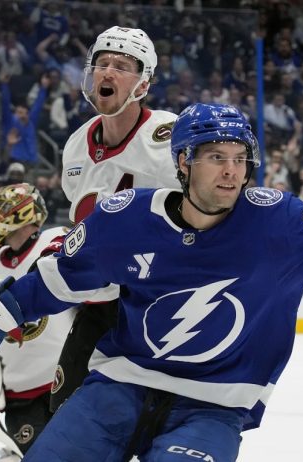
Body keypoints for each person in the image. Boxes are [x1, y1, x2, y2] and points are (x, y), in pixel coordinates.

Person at [0, 103, 303, 461]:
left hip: (215, 404)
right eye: (215, 157)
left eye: (240, 158)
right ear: (182, 162)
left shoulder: (278, 225)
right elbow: (61, 277)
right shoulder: (127, 217)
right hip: (120, 384)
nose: (231, 172)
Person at [51, 25, 179, 412]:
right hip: (101, 306)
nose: (107, 72)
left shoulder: (169, 137)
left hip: (160, 305)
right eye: (102, 63)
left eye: (122, 65)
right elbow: (83, 227)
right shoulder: (76, 145)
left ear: (142, 83)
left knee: (155, 425)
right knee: (66, 414)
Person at [0, 183, 75, 462]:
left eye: (1, 211)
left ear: (22, 213)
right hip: (20, 396)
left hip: (69, 382)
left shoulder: (56, 242)